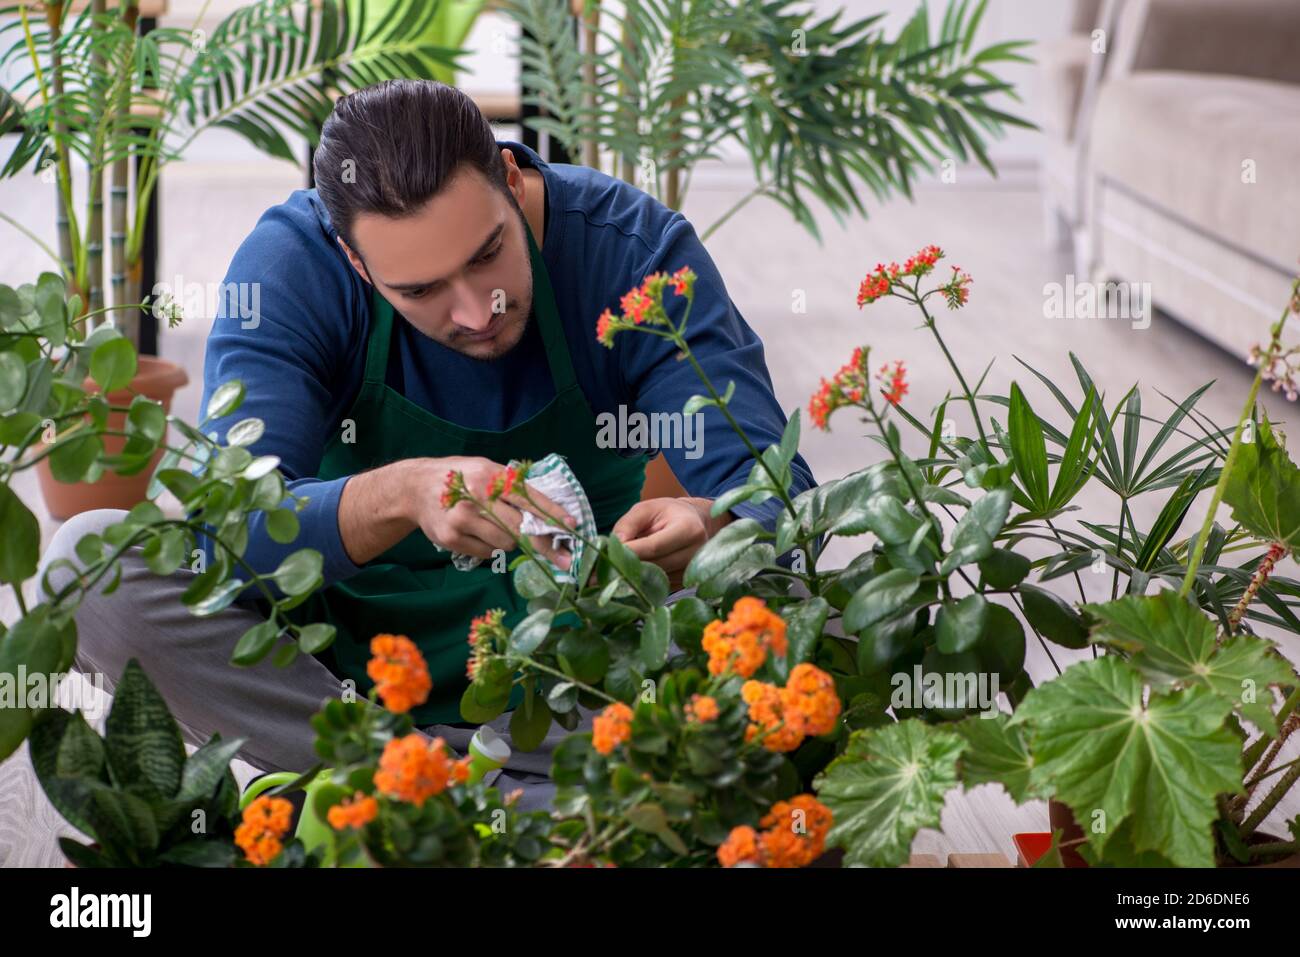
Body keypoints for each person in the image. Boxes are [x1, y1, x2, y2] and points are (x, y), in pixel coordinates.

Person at [44, 79, 814, 811]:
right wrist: (403, 492)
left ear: (511, 181)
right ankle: (450, 786)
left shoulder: (632, 252)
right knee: (88, 566)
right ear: (355, 261)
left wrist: (712, 527)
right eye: (420, 290)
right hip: (343, 690)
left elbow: (780, 499)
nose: (477, 312)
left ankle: (417, 804)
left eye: (486, 255)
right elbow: (233, 523)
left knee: (812, 608)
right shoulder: (290, 268)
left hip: (584, 685)